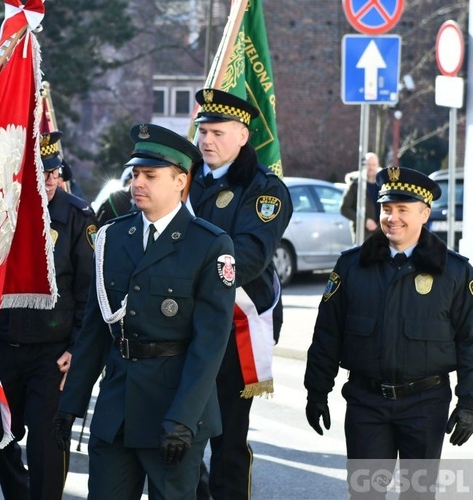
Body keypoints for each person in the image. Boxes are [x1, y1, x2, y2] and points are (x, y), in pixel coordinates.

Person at [53, 123, 236, 499]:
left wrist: (183, 418)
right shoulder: (113, 236)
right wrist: (70, 402)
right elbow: (95, 329)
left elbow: (210, 344)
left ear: (180, 181)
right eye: (135, 174)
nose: (138, 183)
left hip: (173, 410)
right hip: (117, 407)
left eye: (150, 175)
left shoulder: (209, 244)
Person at [304, 166, 473, 498]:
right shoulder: (351, 266)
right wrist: (316, 391)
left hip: (425, 404)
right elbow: (327, 334)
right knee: (366, 494)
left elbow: (471, 340)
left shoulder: (455, 272)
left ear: (424, 214)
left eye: (402, 210)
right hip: (367, 403)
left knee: (418, 495)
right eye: (386, 209)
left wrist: (469, 402)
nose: (392, 218)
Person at [187, 88, 292, 500]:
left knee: (228, 438)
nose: (206, 141)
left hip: (236, 328)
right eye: (202, 131)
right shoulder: (184, 179)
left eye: (217, 132)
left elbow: (247, 257)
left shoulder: (263, 189)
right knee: (182, 430)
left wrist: (182, 274)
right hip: (183, 322)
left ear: (243, 136)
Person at [0, 131, 97, 500]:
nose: (51, 180)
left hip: (52, 354)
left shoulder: (77, 215)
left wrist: (76, 349)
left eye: (55, 171)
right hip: (1, 347)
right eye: (42, 172)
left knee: (49, 444)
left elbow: (88, 291)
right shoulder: (0, 209)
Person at [340, 152, 381, 243]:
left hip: (380, 232)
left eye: (373, 164)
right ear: (363, 166)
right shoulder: (355, 185)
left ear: (378, 165)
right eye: (368, 164)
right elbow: (344, 208)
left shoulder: (383, 185)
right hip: (362, 233)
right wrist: (364, 221)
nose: (371, 167)